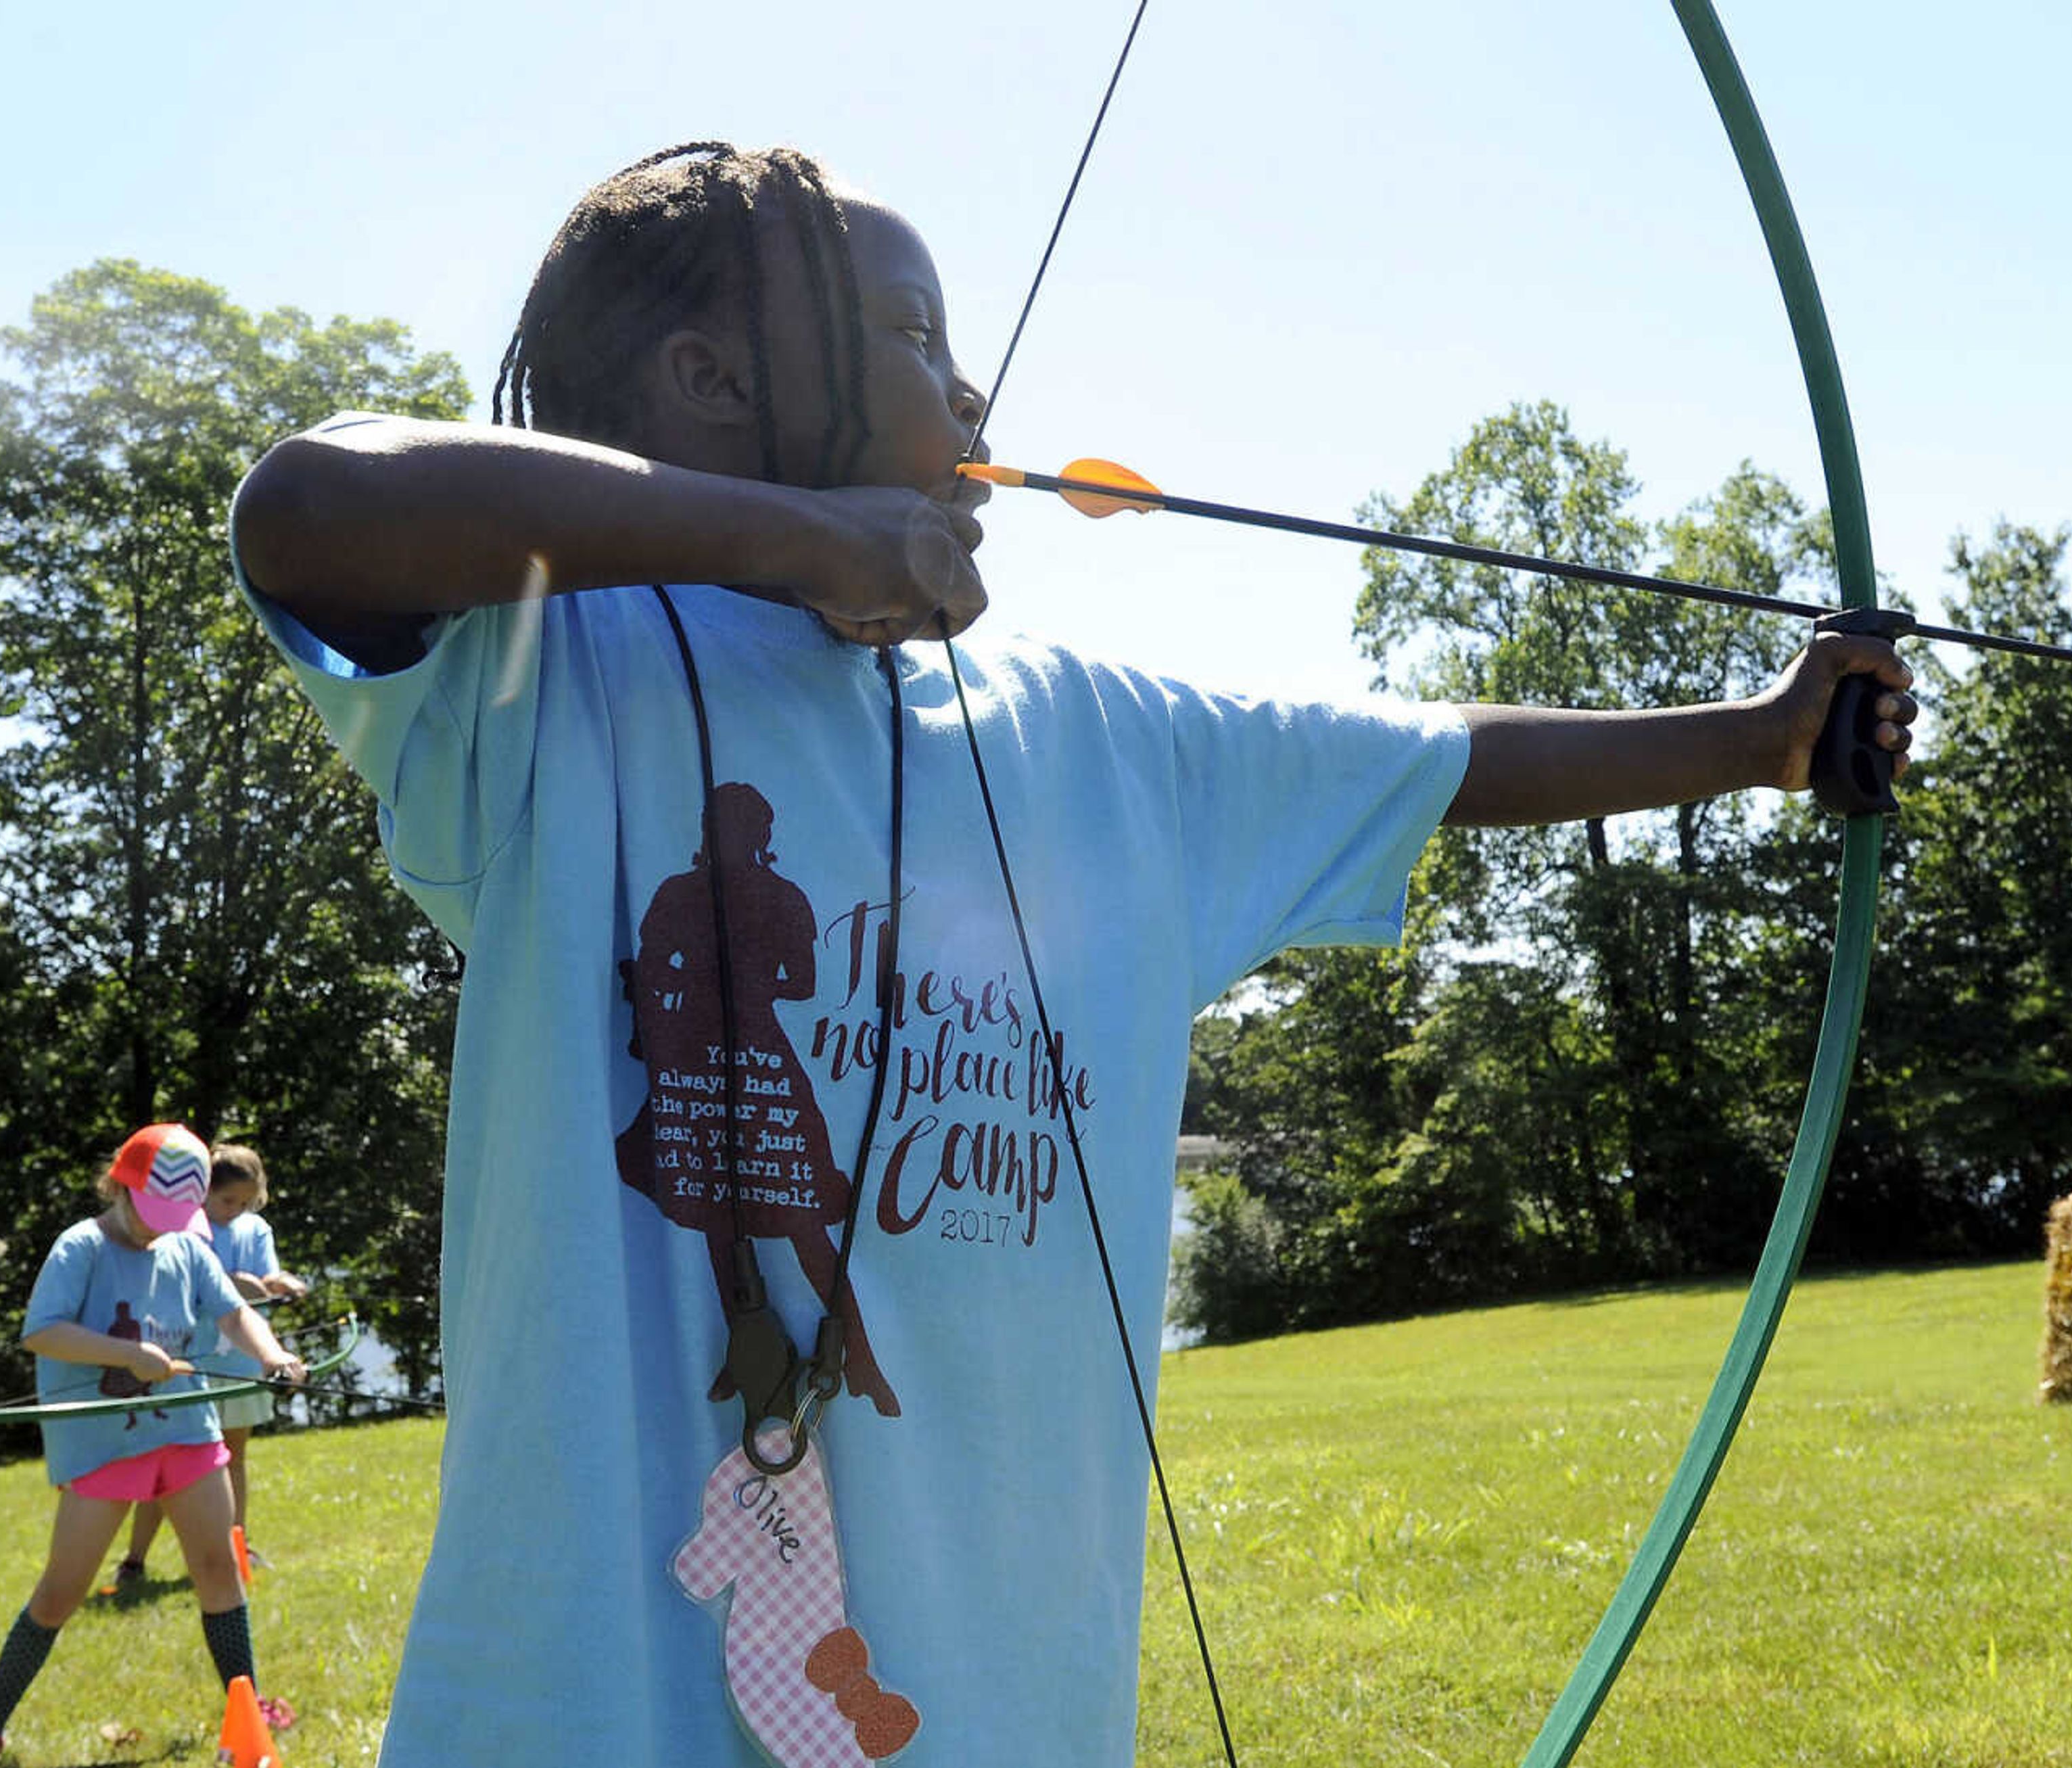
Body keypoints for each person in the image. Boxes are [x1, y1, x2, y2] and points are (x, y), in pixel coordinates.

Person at [228, 144, 1914, 1767]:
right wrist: (797, 543)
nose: (968, 398)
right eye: (907, 334)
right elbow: (309, 504)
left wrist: (1760, 737)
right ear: (707, 375)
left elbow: (1442, 755)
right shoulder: (538, 684)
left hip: (998, 1711)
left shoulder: (1094, 737)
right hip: (585, 1718)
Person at [0, 1123, 308, 1767]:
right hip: (104, 1446)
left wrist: (273, 1355)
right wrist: (127, 1355)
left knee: (219, 1574)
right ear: (120, 1185)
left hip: (187, 1434)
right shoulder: (81, 1246)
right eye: (153, 1212)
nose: (160, 1228)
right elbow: (43, 1332)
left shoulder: (187, 1248)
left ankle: (247, 1714)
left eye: (176, 1216)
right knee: (60, 1593)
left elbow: (231, 1312)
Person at [113, 1142, 310, 1589]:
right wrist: (233, 1283)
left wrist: (279, 1285)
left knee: (234, 1456)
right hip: (186, 1363)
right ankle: (134, 1561)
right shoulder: (184, 1231)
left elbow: (261, 1287)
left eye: (245, 1202)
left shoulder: (255, 1230)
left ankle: (236, 1547)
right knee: (172, 1459)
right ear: (202, 1194)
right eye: (226, 1201)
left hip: (240, 1363)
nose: (235, 1210)